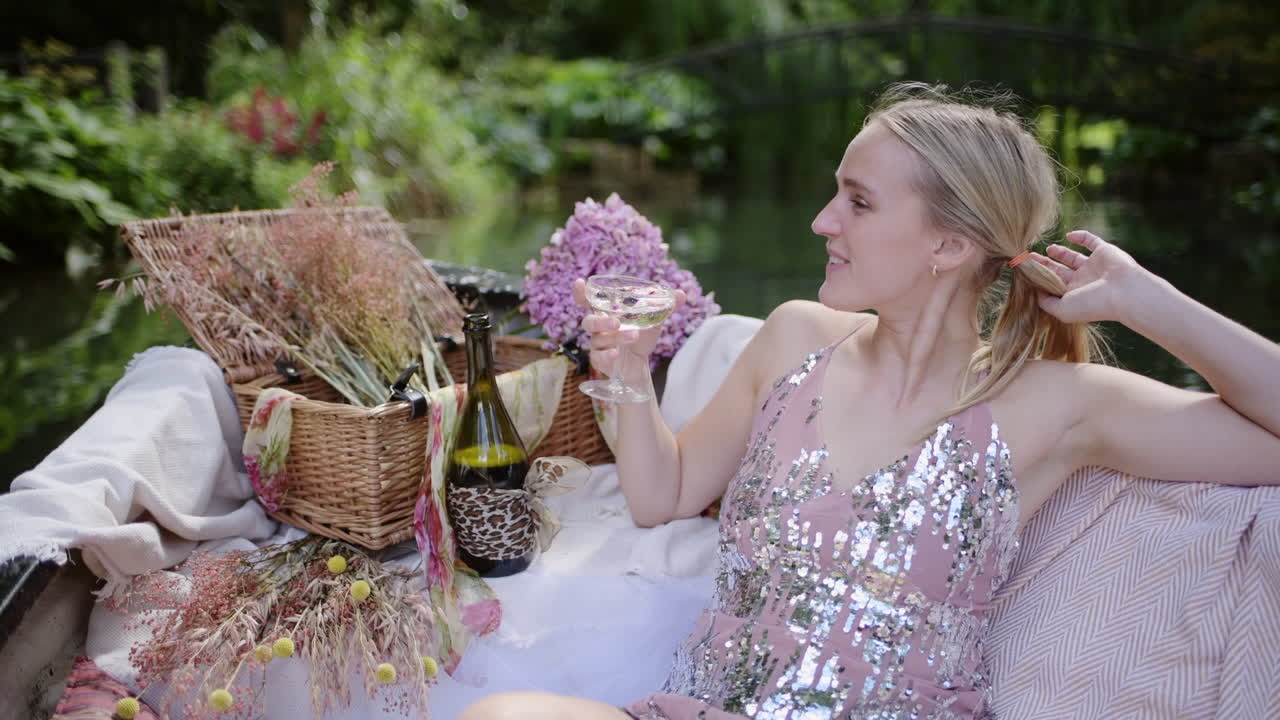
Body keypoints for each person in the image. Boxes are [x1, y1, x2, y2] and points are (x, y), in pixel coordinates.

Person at [458, 83, 1280, 720]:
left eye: (858, 201)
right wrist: (631, 378)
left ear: (950, 245)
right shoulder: (793, 340)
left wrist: (1151, 304)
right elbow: (661, 495)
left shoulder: (1056, 405)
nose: (823, 221)